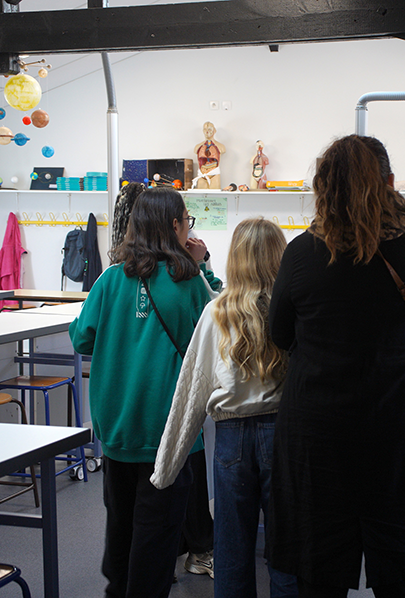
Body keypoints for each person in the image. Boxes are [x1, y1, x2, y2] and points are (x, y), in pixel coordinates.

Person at [266, 135, 405, 598]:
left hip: (319, 429)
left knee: (318, 569)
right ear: (389, 183)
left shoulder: (301, 253)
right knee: (402, 570)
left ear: (324, 188)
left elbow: (280, 334)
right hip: (396, 424)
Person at [69, 186, 219, 598]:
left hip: (116, 428)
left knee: (120, 526)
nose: (188, 227)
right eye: (186, 220)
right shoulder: (188, 283)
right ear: (174, 225)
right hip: (167, 433)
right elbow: (214, 334)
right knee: (157, 536)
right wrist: (202, 265)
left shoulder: (109, 279)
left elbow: (82, 338)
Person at [152, 217, 299, 598]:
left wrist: (165, 469)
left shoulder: (217, 312)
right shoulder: (295, 310)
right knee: (288, 553)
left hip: (232, 439)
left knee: (232, 551)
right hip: (283, 435)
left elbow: (191, 390)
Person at [194, 121, 226, 190]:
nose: (207, 132)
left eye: (209, 129)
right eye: (205, 129)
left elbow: (222, 150)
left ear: (214, 131)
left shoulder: (220, 147)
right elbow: (196, 151)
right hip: (202, 173)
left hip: (214, 172)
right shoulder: (198, 147)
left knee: (215, 194)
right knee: (201, 194)